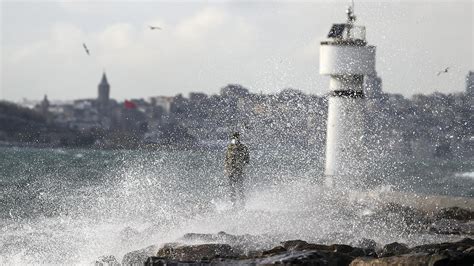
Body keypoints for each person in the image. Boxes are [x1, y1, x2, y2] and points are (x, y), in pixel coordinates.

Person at [224, 132, 250, 207]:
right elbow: (226, 159)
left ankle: (242, 204)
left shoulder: (243, 148)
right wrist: (226, 168)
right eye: (233, 138)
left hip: (239, 171)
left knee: (240, 188)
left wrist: (241, 165)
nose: (235, 139)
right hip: (230, 171)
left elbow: (247, 160)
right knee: (232, 189)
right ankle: (233, 205)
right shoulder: (229, 147)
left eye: (236, 137)